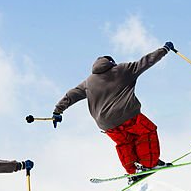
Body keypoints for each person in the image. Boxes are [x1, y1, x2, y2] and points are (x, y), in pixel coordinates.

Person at [52, 42, 175, 177]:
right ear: (112, 63)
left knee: (125, 142)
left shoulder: (88, 82)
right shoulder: (123, 69)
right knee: (147, 131)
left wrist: (58, 111)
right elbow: (146, 61)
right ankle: (150, 164)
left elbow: (71, 95)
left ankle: (134, 171)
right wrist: (164, 49)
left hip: (106, 124)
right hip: (127, 114)